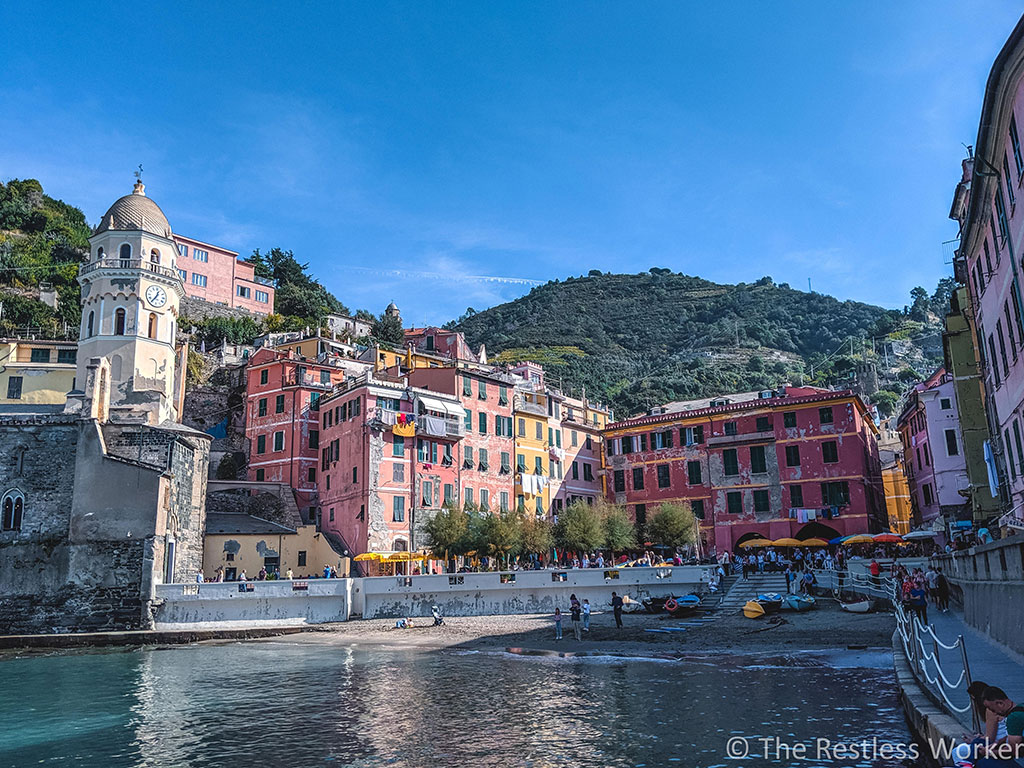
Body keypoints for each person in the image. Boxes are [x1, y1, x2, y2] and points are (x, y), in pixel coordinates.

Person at [981, 687, 1024, 763]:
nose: (994, 713)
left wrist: (991, 753)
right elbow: (1014, 734)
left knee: (984, 762)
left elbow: (1014, 751)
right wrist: (997, 743)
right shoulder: (1021, 706)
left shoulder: (1013, 718)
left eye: (993, 710)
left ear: (1000, 703)